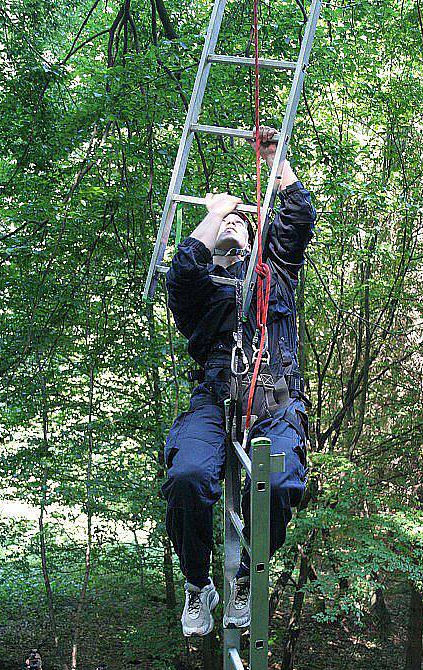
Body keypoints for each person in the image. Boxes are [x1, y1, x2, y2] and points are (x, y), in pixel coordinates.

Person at [163, 125, 316, 636]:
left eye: (240, 222)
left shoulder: (276, 273)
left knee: (278, 479)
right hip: (213, 395)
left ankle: (247, 576)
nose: (233, 225)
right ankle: (197, 583)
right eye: (223, 225)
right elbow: (182, 269)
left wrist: (274, 159)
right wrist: (213, 215)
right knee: (187, 476)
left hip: (273, 395)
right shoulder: (200, 289)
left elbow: (297, 217)